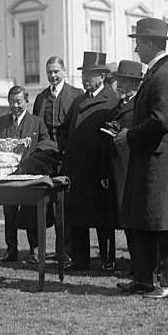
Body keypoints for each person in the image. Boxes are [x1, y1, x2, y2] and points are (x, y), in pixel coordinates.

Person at [114, 18, 168, 299]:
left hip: (162, 161)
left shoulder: (166, 74)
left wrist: (130, 136)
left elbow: (161, 121)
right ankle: (144, 279)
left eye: (138, 43)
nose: (136, 49)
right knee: (148, 221)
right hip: (153, 159)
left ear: (150, 43)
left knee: (165, 223)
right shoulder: (160, 72)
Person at [58, 51, 120, 272]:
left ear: (102, 77)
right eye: (84, 74)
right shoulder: (79, 100)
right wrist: (66, 150)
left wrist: (105, 169)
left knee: (103, 218)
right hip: (76, 168)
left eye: (90, 75)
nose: (85, 79)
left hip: (98, 169)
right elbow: (63, 130)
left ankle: (107, 259)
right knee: (78, 217)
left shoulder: (112, 100)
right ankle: (80, 259)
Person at [33, 56, 84, 261]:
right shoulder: (41, 98)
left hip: (69, 156)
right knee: (44, 205)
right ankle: (41, 249)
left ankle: (66, 250)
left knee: (66, 205)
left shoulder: (76, 95)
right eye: (49, 72)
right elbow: (36, 127)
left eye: (56, 71)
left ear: (64, 70)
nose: (53, 76)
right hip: (47, 159)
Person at [0, 85, 52, 264]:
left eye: (19, 101)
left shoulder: (37, 122)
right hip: (8, 176)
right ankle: (11, 249)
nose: (15, 105)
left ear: (27, 101)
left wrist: (32, 163)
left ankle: (34, 250)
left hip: (29, 177)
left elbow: (46, 144)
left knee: (32, 213)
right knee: (9, 213)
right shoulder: (0, 122)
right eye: (12, 102)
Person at [100, 60, 144, 278]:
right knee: (125, 218)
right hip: (117, 168)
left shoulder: (140, 105)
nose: (120, 85)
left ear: (135, 85)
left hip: (131, 169)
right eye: (119, 80)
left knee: (134, 219)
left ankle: (140, 264)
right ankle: (136, 263)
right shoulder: (119, 105)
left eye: (125, 81)